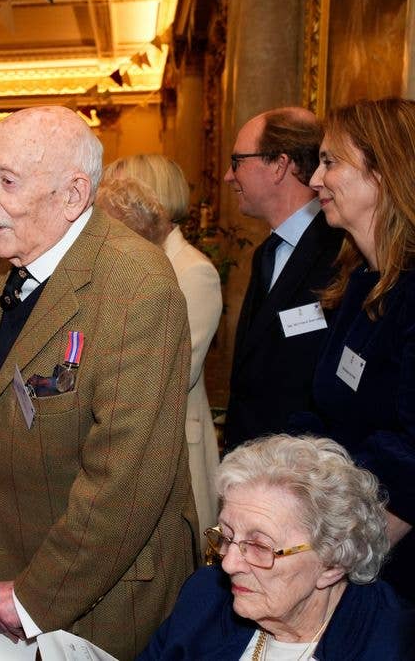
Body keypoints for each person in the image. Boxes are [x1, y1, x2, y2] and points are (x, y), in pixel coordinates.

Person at [0, 106, 197, 660]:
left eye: (7, 181)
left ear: (72, 195)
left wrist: (35, 598)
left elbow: (127, 479)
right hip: (16, 561)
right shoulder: (17, 261)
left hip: (101, 598)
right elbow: (18, 393)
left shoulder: (135, 285)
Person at [139, 435, 409, 659]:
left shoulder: (393, 645)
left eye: (258, 546)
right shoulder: (205, 597)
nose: (228, 563)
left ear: (332, 563)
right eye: (228, 535)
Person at [305, 97, 415, 602]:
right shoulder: (362, 284)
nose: (314, 180)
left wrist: (344, 563)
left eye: (330, 162)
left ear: (384, 170)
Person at [102, 155, 223, 532]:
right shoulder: (127, 262)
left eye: (120, 194)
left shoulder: (193, 270)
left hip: (173, 453)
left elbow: (174, 373)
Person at [224, 108, 344, 449]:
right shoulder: (267, 252)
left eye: (237, 162)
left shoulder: (343, 254)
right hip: (252, 462)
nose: (228, 177)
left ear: (279, 164)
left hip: (304, 473)